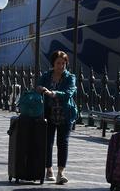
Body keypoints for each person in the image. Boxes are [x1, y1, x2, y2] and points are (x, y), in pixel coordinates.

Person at [36, 50, 77, 185]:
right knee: (48, 142)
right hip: (48, 113)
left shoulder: (70, 77)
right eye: (58, 63)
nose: (61, 66)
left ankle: (61, 172)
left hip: (65, 114)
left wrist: (53, 93)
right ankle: (49, 169)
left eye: (63, 63)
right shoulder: (47, 75)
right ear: (53, 63)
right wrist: (40, 88)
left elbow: (68, 93)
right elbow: (37, 86)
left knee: (63, 143)